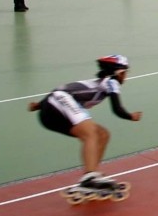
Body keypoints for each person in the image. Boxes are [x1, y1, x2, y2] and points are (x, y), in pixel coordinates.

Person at [27, 55, 141, 194]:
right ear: (117, 73)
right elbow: (117, 109)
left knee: (102, 134)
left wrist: (38, 106)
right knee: (91, 134)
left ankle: (93, 174)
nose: (125, 77)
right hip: (58, 102)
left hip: (49, 112)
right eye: (124, 73)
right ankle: (90, 177)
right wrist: (131, 116)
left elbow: (58, 91)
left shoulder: (98, 83)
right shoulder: (112, 82)